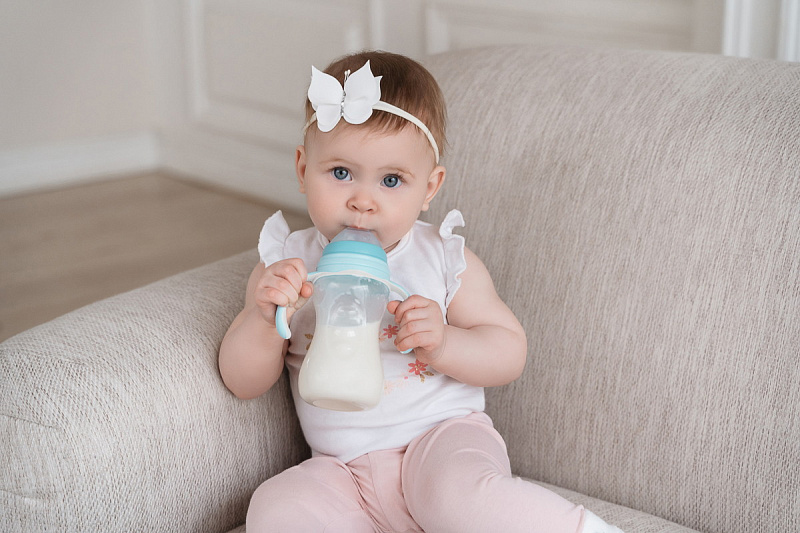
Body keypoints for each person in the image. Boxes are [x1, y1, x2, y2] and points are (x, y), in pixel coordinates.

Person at [219, 50, 623, 533]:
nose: (363, 201)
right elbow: (242, 381)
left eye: (391, 180)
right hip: (341, 469)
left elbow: (509, 352)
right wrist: (265, 320)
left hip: (441, 441)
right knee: (278, 505)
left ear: (429, 188)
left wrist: (445, 343)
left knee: (455, 496)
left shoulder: (443, 259)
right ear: (304, 168)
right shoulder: (286, 263)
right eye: (341, 173)